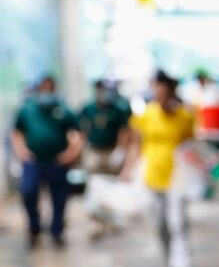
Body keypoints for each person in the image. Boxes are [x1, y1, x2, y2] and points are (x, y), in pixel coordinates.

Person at [121, 71, 195, 267]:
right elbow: (136, 144)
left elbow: (191, 146)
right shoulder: (146, 115)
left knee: (177, 223)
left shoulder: (185, 116)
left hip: (177, 177)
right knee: (161, 224)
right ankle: (170, 263)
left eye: (164, 92)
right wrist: (127, 169)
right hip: (152, 177)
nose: (160, 96)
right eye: (157, 92)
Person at [11, 75, 83, 247]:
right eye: (43, 88)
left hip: (57, 162)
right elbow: (17, 132)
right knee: (28, 192)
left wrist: (71, 154)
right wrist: (21, 151)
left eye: (49, 89)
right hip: (34, 161)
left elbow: (77, 133)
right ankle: (34, 227)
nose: (46, 92)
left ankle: (57, 231)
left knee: (60, 197)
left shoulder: (63, 110)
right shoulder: (27, 110)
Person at [79, 79, 131, 175]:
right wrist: (82, 146)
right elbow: (83, 129)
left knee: (112, 175)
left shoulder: (117, 109)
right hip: (94, 149)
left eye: (105, 89)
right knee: (92, 174)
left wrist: (120, 149)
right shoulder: (88, 109)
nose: (103, 92)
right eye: (100, 89)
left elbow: (123, 130)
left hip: (111, 149)